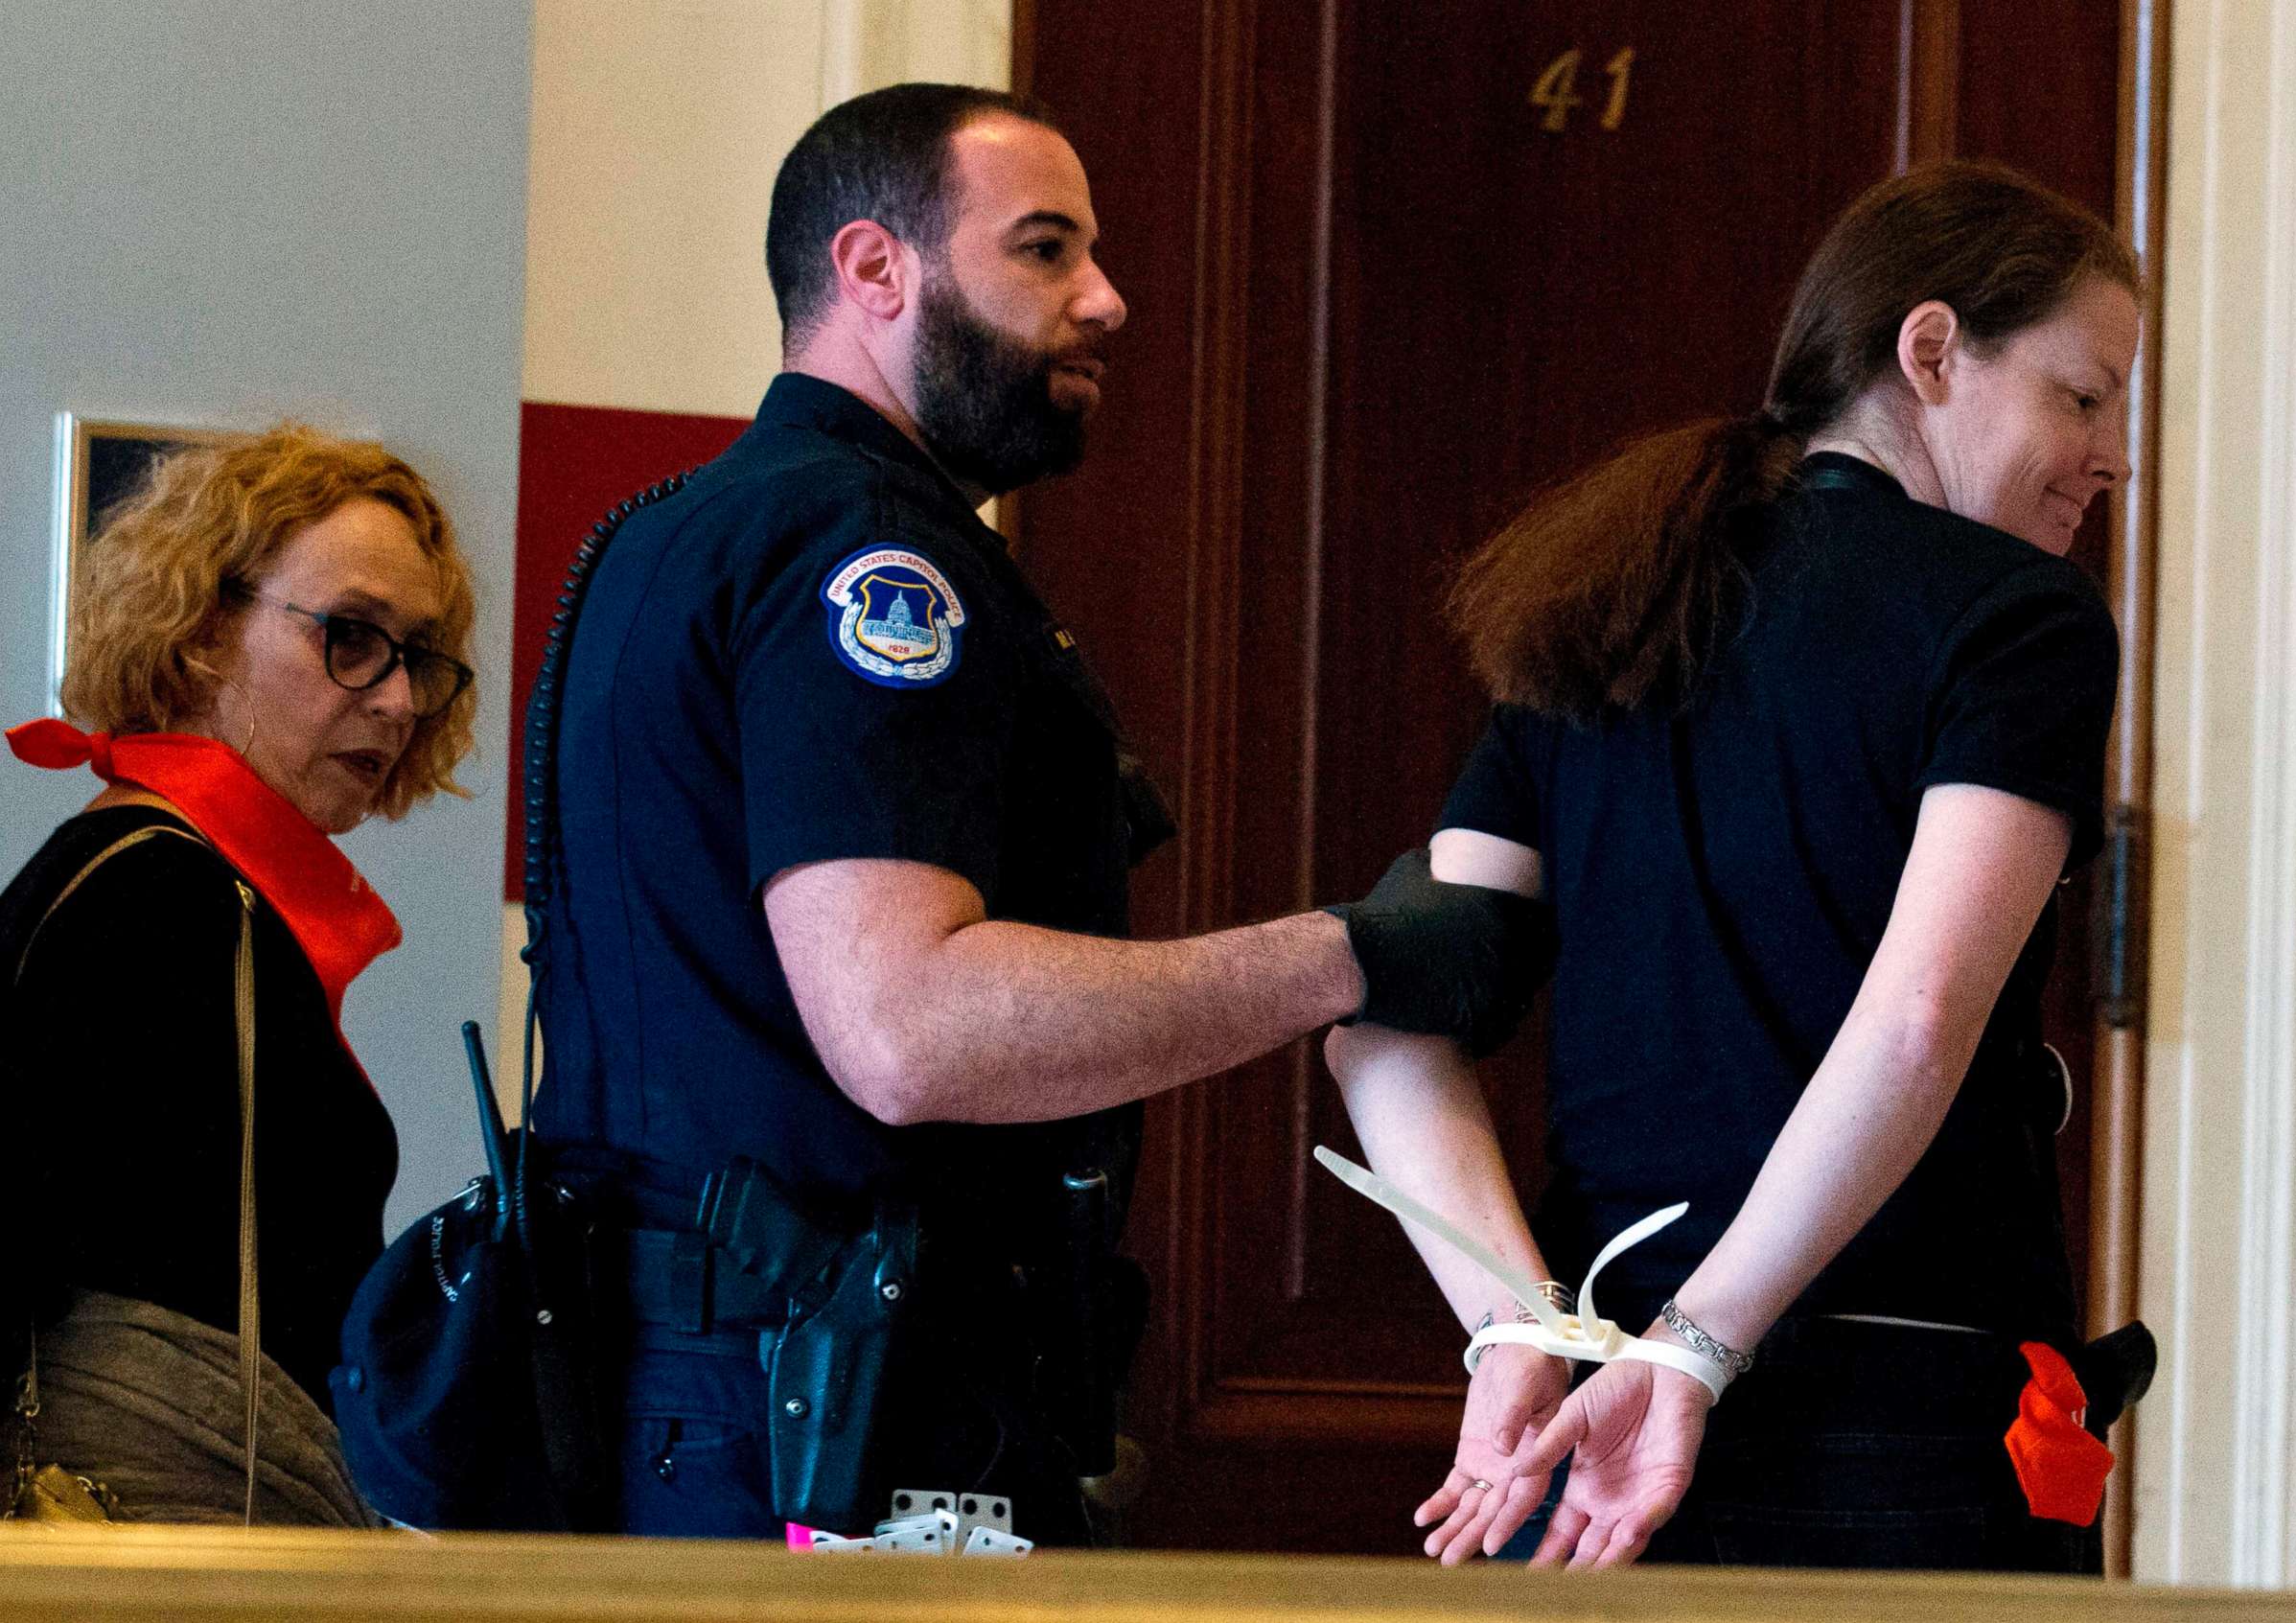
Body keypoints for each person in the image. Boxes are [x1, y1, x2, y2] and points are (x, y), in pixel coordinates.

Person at [528, 82, 1540, 1543]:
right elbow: (907, 1026)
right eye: (1046, 250)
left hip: (691, 1406)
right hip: (834, 1421)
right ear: (876, 269)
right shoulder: (868, 560)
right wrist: (1360, 953)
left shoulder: (670, 531)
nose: (1109, 301)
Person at [1323, 160, 2142, 1574]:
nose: (2114, 453)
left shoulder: (1611, 599)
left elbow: (1390, 1020)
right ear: (1933, 350)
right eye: (2084, 395)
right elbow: (1916, 1018)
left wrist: (1512, 1323)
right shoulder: (2020, 621)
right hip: (1892, 1433)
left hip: (1588, 1435)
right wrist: (1695, 1355)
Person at [2, 425, 478, 1524]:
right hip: (154, 1554)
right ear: (205, 632)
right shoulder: (156, 899)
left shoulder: (173, 882)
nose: (400, 701)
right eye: (352, 638)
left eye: (418, 655)